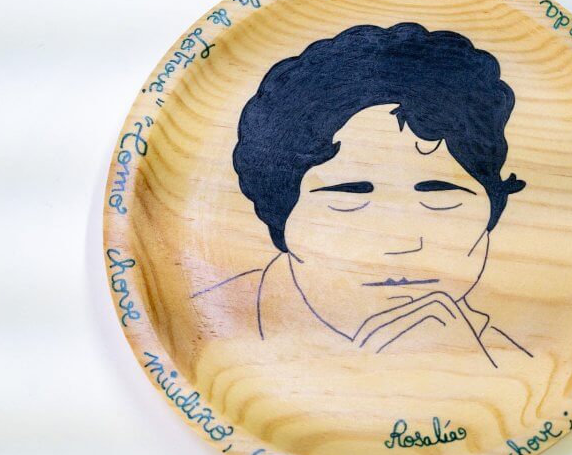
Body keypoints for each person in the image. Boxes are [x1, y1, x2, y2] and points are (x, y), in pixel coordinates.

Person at [194, 23, 532, 367]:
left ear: (492, 208)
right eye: (348, 196)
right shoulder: (206, 336)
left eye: (439, 194)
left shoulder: (511, 359)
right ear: (281, 219)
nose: (401, 243)